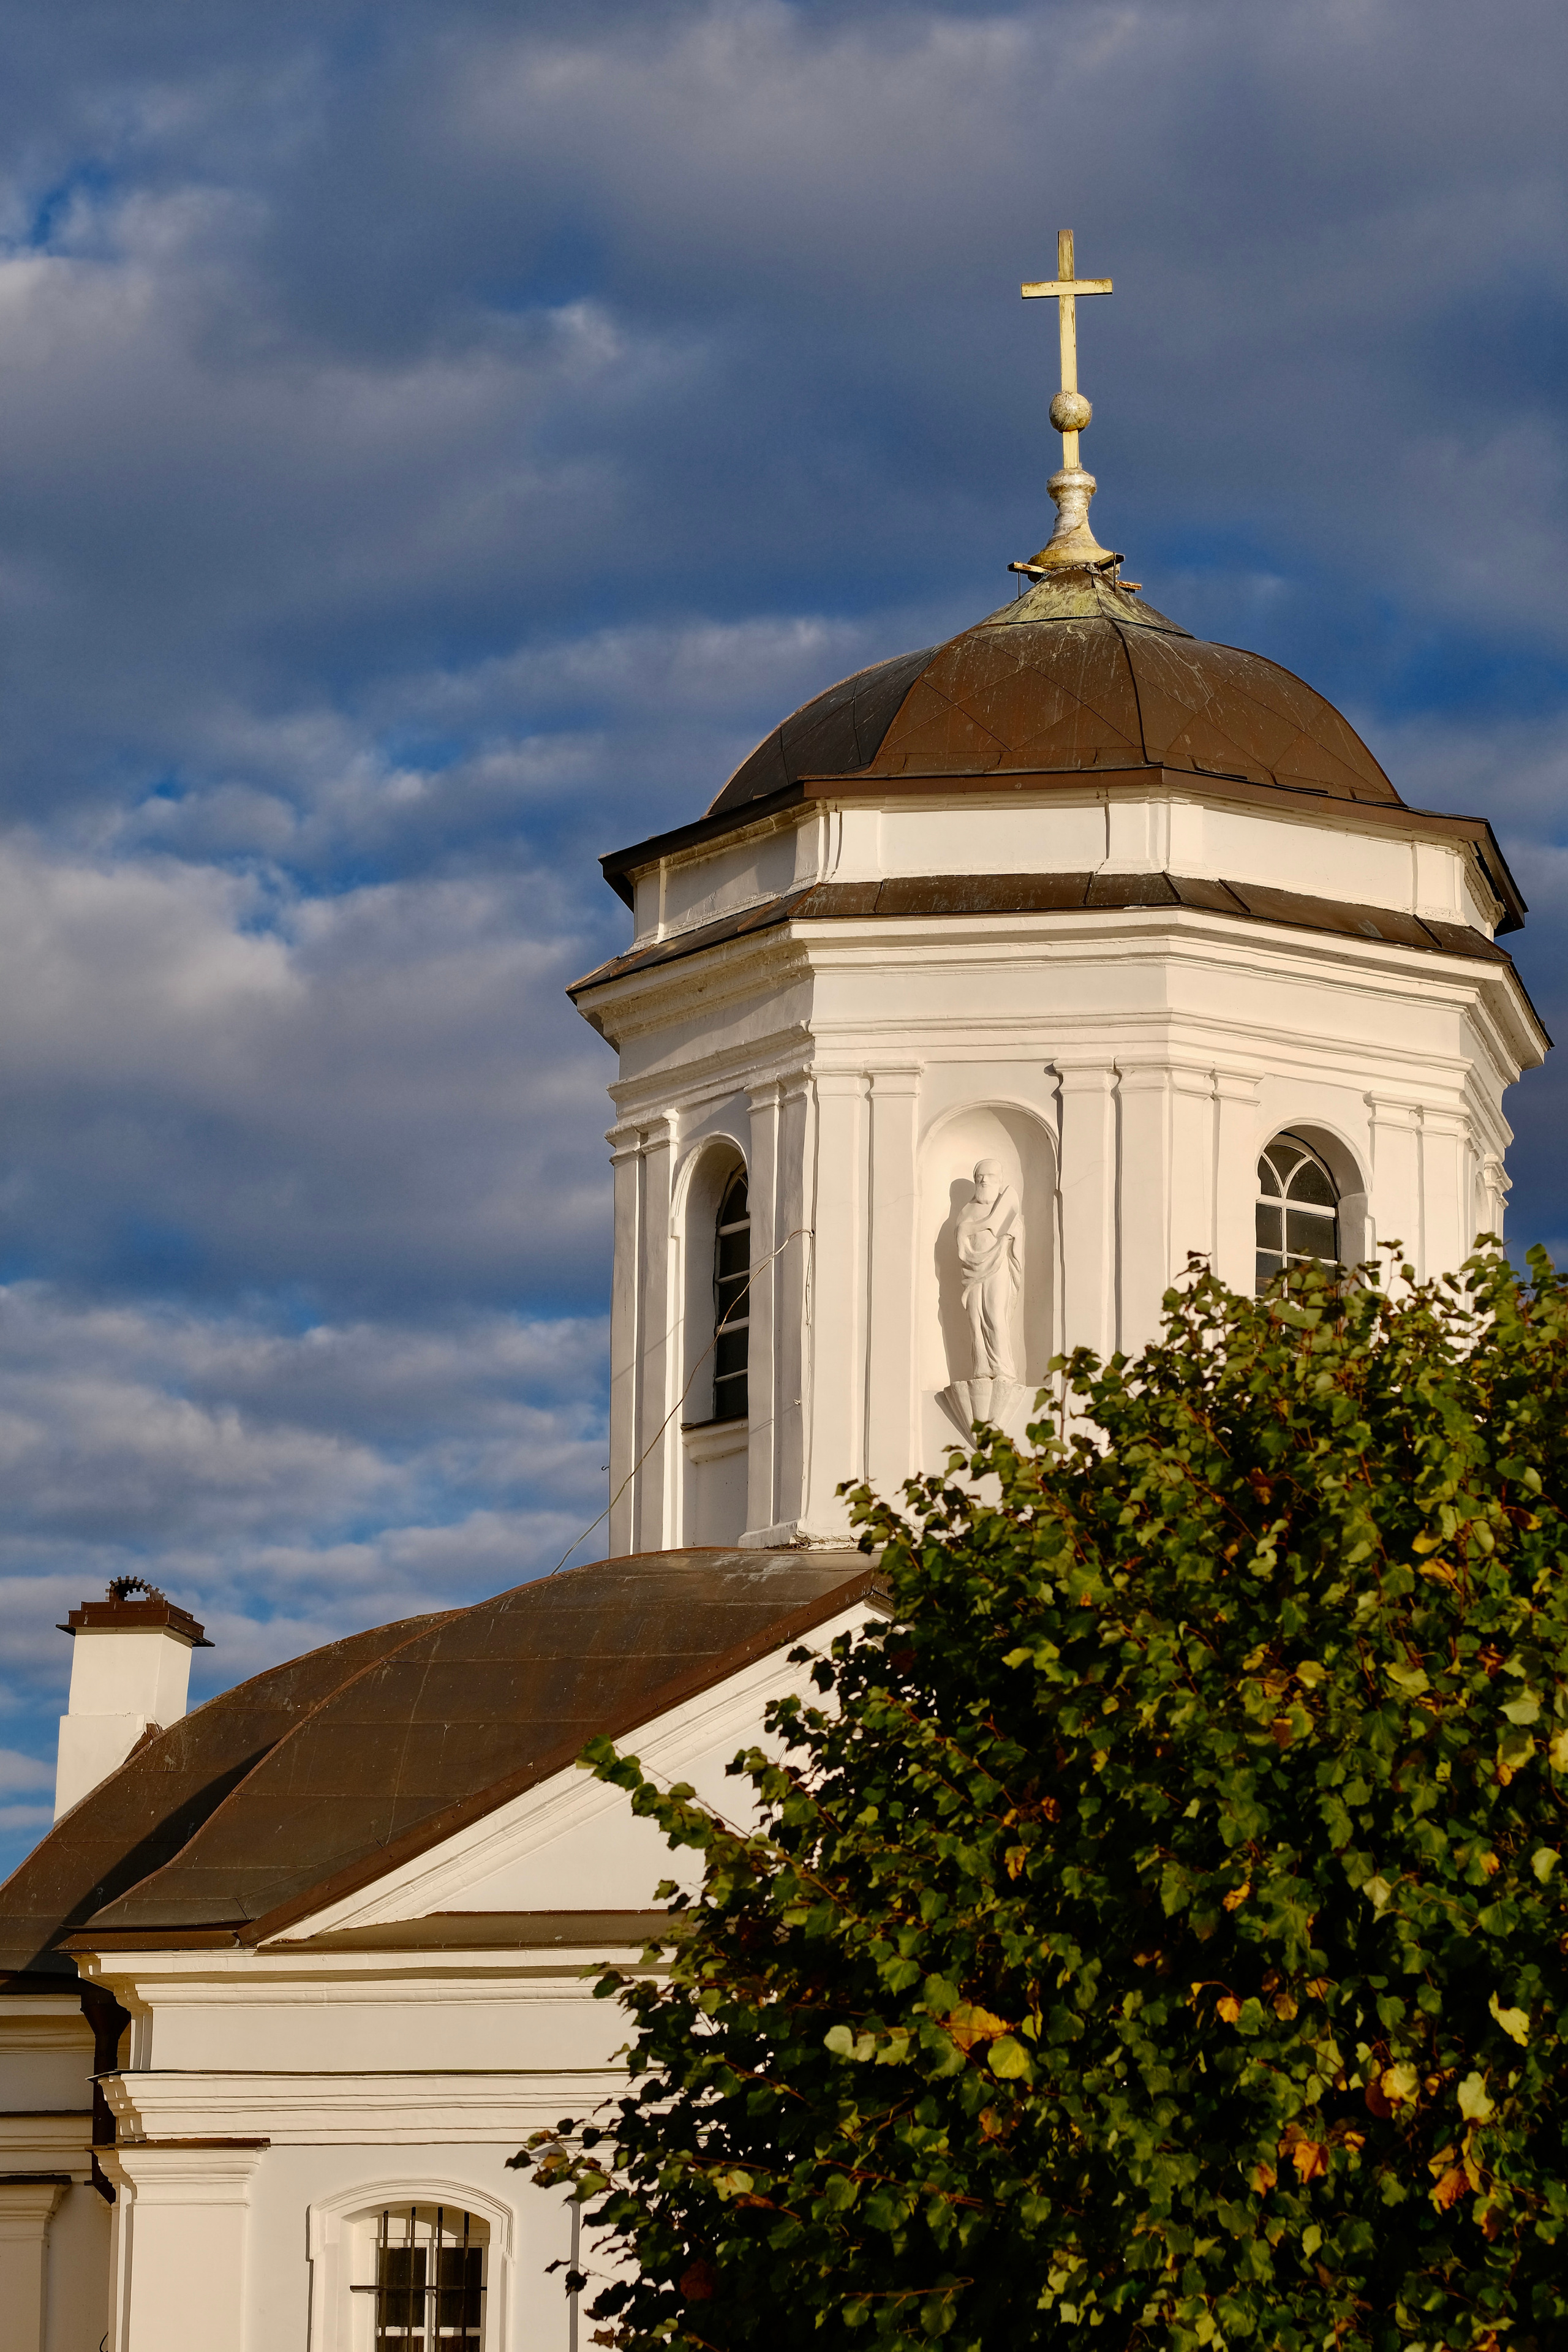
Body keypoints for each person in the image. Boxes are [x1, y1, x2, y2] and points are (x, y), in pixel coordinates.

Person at [956, 1158, 1022, 1380]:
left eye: (990, 1177)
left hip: (998, 1268)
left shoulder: (1005, 1208)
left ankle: (1003, 1368)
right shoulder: (967, 1211)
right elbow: (961, 1243)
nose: (984, 1180)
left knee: (994, 1315)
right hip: (973, 1274)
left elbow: (1016, 1235)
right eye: (979, 1177)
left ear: (999, 1180)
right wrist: (970, 1230)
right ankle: (982, 1368)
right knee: (975, 1319)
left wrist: (1008, 1238)